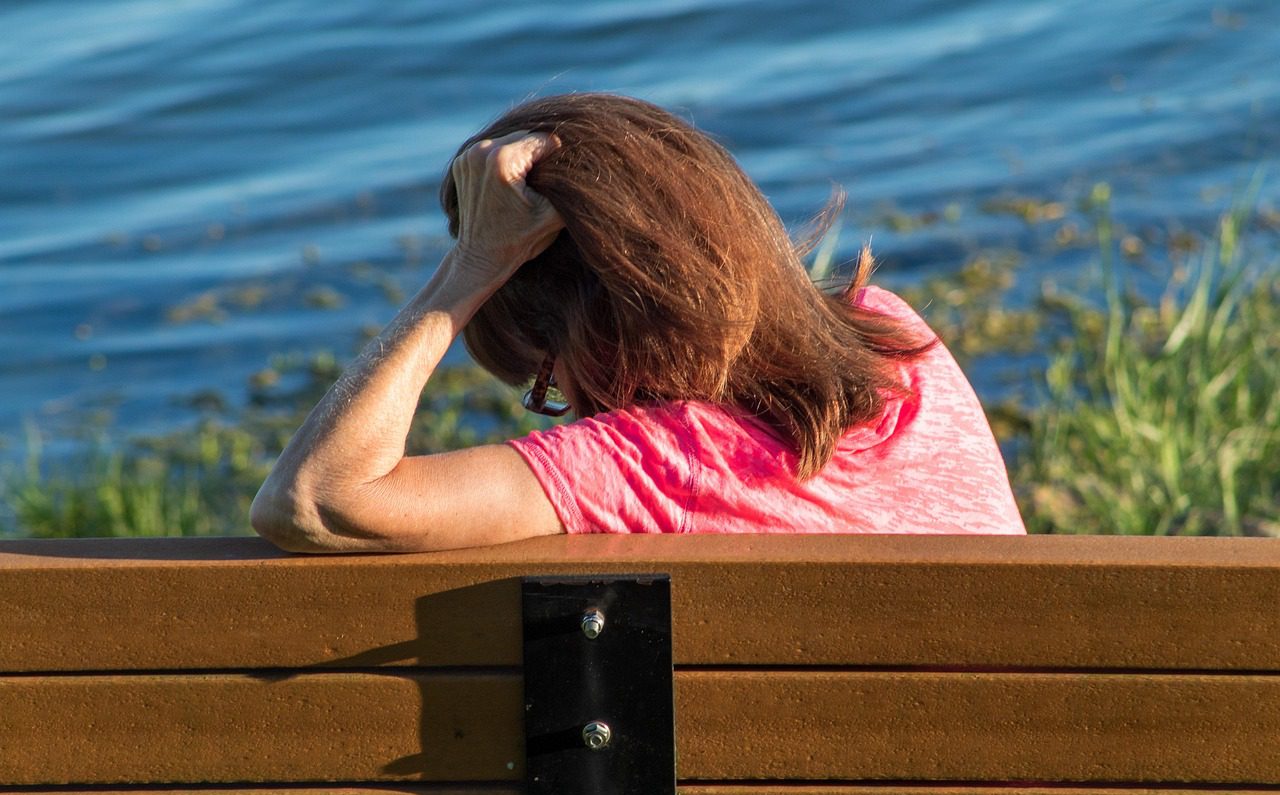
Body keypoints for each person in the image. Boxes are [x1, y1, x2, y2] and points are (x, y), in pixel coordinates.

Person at [251, 93, 1025, 553]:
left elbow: (314, 499)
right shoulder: (896, 345)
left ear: (583, 328)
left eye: (545, 382)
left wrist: (472, 269)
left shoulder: (647, 464)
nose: (567, 409)